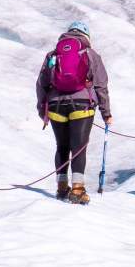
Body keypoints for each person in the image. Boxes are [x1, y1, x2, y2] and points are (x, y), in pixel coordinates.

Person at [35, 21, 112, 204]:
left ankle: (62, 187)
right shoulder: (90, 54)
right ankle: (77, 189)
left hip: (56, 106)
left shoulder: (53, 55)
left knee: (62, 146)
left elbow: (41, 83)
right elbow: (101, 85)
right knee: (78, 147)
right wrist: (106, 113)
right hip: (82, 105)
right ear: (86, 36)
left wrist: (42, 109)